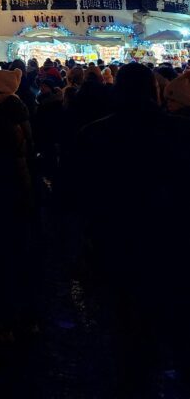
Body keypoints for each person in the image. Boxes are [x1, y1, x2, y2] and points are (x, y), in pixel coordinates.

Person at [77, 63, 190, 393]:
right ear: (155, 91)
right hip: (173, 246)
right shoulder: (181, 131)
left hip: (117, 250)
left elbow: (80, 197)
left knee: (128, 340)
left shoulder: (93, 135)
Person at [0, 69, 35, 339]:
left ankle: (9, 315)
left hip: (5, 188)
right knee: (18, 247)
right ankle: (22, 309)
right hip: (20, 186)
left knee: (7, 249)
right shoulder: (18, 109)